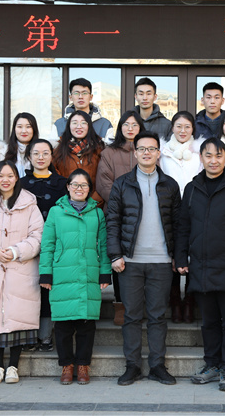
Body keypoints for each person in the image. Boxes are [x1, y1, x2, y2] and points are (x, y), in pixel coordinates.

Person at [175, 138, 225, 392]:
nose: (213, 160)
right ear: (201, 158)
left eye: (218, 155)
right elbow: (183, 225)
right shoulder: (192, 188)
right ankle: (211, 364)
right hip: (201, 265)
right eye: (208, 155)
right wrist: (181, 257)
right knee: (209, 321)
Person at [106, 130, 182, 386]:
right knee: (131, 316)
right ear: (135, 153)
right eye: (142, 149)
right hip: (130, 261)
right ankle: (133, 366)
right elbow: (113, 221)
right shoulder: (122, 184)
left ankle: (157, 366)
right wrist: (115, 254)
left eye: (151, 149)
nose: (147, 153)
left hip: (162, 261)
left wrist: (177, 256)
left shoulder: (170, 185)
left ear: (159, 153)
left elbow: (178, 224)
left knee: (158, 315)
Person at [0, 161, 44, 385]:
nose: (5, 180)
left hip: (20, 269)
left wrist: (15, 251)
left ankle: (13, 366)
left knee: (17, 318)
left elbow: (38, 236)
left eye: (10, 175)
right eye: (1, 176)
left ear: (16, 178)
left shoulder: (29, 204)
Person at [39, 169, 111, 385]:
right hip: (62, 273)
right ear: (68, 187)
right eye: (75, 184)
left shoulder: (97, 214)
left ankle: (83, 365)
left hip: (88, 273)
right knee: (63, 324)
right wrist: (45, 273)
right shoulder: (56, 212)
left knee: (86, 324)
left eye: (84, 185)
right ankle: (66, 366)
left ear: (89, 189)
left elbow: (103, 246)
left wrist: (104, 272)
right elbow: (47, 244)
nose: (79, 189)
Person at [95, 110, 145, 326]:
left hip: (144, 215)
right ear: (120, 128)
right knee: (118, 259)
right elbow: (103, 182)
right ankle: (120, 304)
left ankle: (138, 305)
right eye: (126, 124)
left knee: (140, 259)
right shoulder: (109, 153)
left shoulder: (146, 150)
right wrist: (124, 204)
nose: (130, 128)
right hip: (116, 214)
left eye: (134, 125)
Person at [20, 139, 68, 352]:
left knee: (48, 288)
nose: (41, 157)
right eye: (36, 153)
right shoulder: (20, 184)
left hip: (54, 244)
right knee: (28, 289)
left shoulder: (63, 184)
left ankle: (46, 336)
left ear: (51, 156)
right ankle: (28, 335)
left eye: (45, 153)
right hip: (26, 244)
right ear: (29, 157)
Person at [158, 111, 203, 323]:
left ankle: (190, 303)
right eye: (178, 126)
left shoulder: (200, 151)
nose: (182, 130)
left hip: (196, 209)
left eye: (187, 126)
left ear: (193, 128)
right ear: (172, 128)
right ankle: (175, 302)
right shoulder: (163, 152)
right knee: (173, 254)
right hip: (170, 209)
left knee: (194, 254)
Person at [0, 112, 39, 200]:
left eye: (28, 127)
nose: (24, 131)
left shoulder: (41, 154)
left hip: (33, 203)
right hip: (5, 203)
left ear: (34, 129)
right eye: (19, 127)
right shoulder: (3, 153)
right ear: (14, 129)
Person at [52, 110, 105, 205]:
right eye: (74, 123)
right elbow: (55, 176)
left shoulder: (100, 149)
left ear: (89, 126)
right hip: (66, 205)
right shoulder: (58, 150)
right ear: (69, 126)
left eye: (83, 123)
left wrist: (93, 202)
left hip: (94, 205)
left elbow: (104, 178)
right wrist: (67, 201)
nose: (79, 126)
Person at [54, 78, 114, 144]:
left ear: (91, 97)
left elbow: (109, 149)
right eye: (76, 93)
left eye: (84, 93)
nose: (80, 97)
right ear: (70, 97)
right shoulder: (59, 124)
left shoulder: (105, 124)